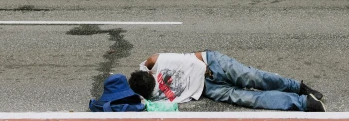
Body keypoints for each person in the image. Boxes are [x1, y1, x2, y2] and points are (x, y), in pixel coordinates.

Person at [128, 51, 325, 112]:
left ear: (149, 73)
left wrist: (204, 68)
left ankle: (298, 87)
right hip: (207, 89)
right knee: (250, 99)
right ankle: (304, 103)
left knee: (254, 78)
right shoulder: (149, 97)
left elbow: (188, 57)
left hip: (211, 63)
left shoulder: (155, 61)